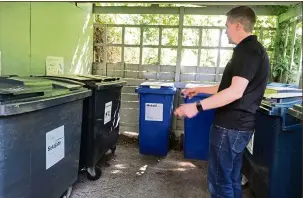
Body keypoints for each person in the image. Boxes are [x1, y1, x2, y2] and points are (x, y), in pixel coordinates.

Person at [174, 6, 269, 198]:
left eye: (227, 26)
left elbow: (235, 92)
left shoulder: (246, 51)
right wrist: (199, 89)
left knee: (219, 181)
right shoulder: (255, 50)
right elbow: (229, 86)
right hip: (239, 127)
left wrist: (197, 106)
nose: (225, 30)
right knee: (232, 178)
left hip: (230, 127)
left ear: (238, 25)